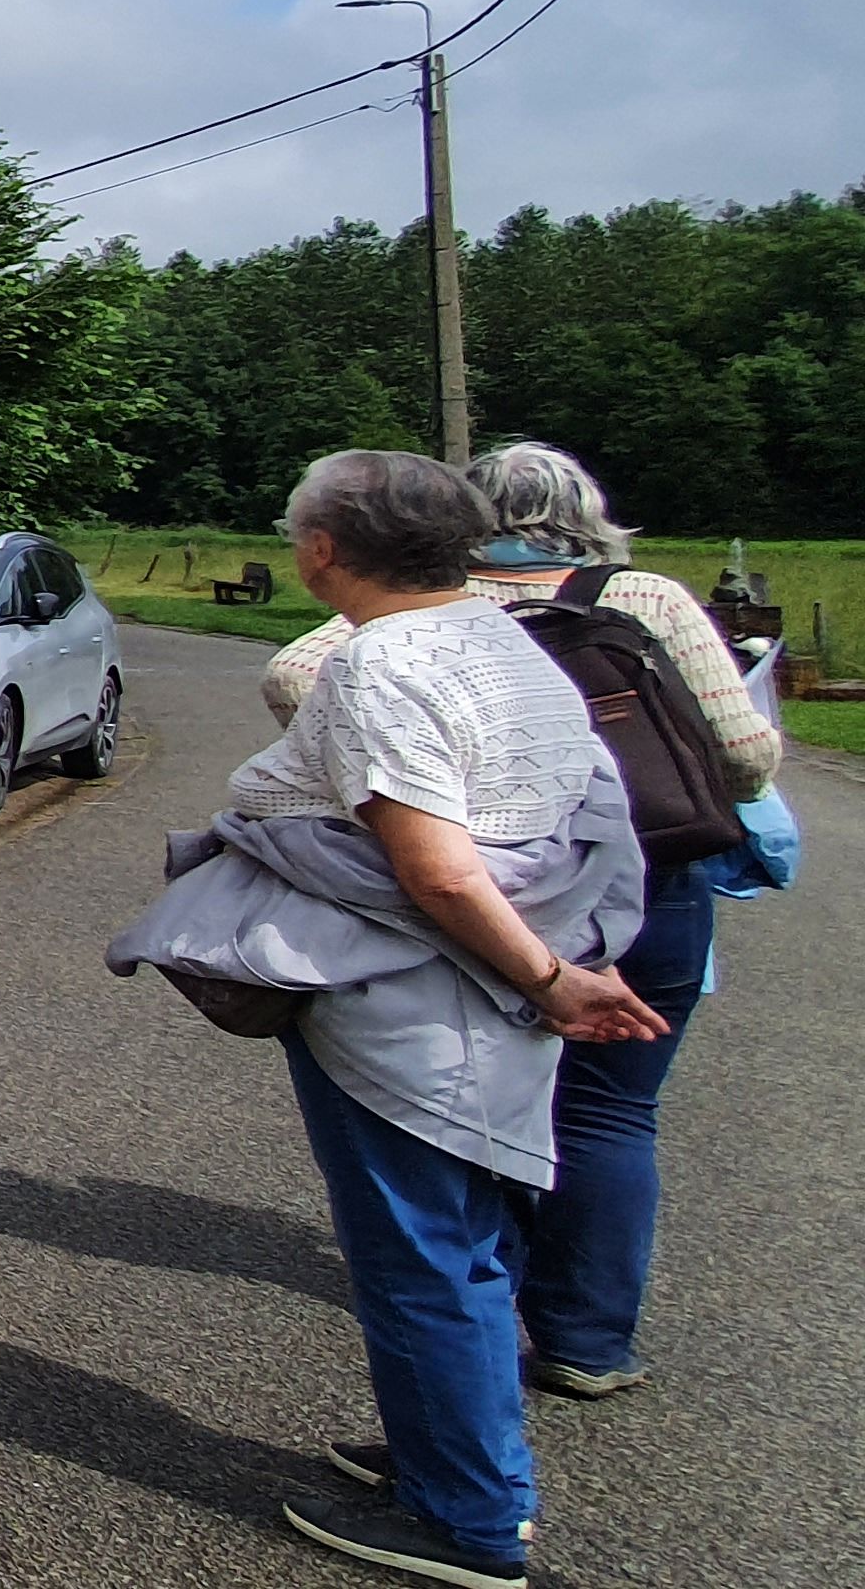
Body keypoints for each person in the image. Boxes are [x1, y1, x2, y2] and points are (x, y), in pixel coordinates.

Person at [153, 451, 664, 1589]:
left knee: (422, 1253)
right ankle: (451, 1449)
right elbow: (585, 814)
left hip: (417, 1002)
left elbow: (434, 866)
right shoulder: (505, 639)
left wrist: (548, 979)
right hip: (495, 986)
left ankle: (468, 1518)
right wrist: (561, 962)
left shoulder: (381, 663)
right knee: (472, 1232)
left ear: (323, 549)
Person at [258, 439, 774, 1402]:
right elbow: (745, 754)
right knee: (612, 1112)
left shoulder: (431, 611)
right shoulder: (647, 599)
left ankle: (473, 1345)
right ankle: (586, 1339)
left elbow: (293, 677)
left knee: (468, 1112)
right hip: (647, 884)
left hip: (487, 893)